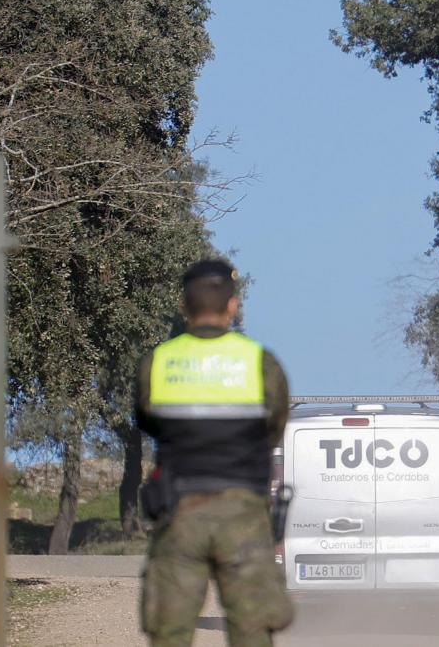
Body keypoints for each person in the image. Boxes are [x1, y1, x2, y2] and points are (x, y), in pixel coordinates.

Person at [136, 259, 293, 647]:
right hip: (243, 514)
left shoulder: (158, 363)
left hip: (179, 511)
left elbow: (147, 420)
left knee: (168, 633)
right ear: (232, 306)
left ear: (184, 306)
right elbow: (273, 429)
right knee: (252, 630)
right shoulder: (260, 364)